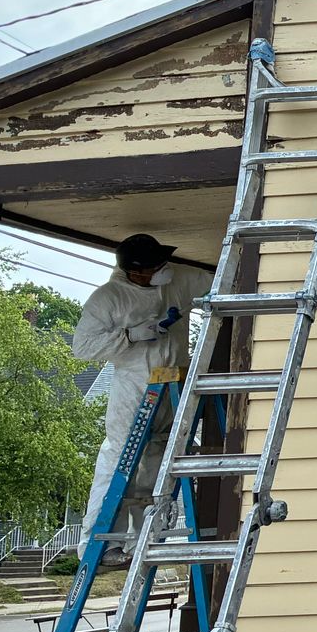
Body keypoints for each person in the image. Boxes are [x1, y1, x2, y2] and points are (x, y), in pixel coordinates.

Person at [71, 233, 213, 550]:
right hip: (134, 386)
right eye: (154, 267)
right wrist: (131, 336)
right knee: (123, 459)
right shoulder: (109, 298)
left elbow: (218, 283)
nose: (163, 271)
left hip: (173, 382)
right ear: (136, 272)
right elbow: (82, 347)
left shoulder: (177, 280)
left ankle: (145, 539)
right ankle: (103, 541)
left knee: (159, 460)